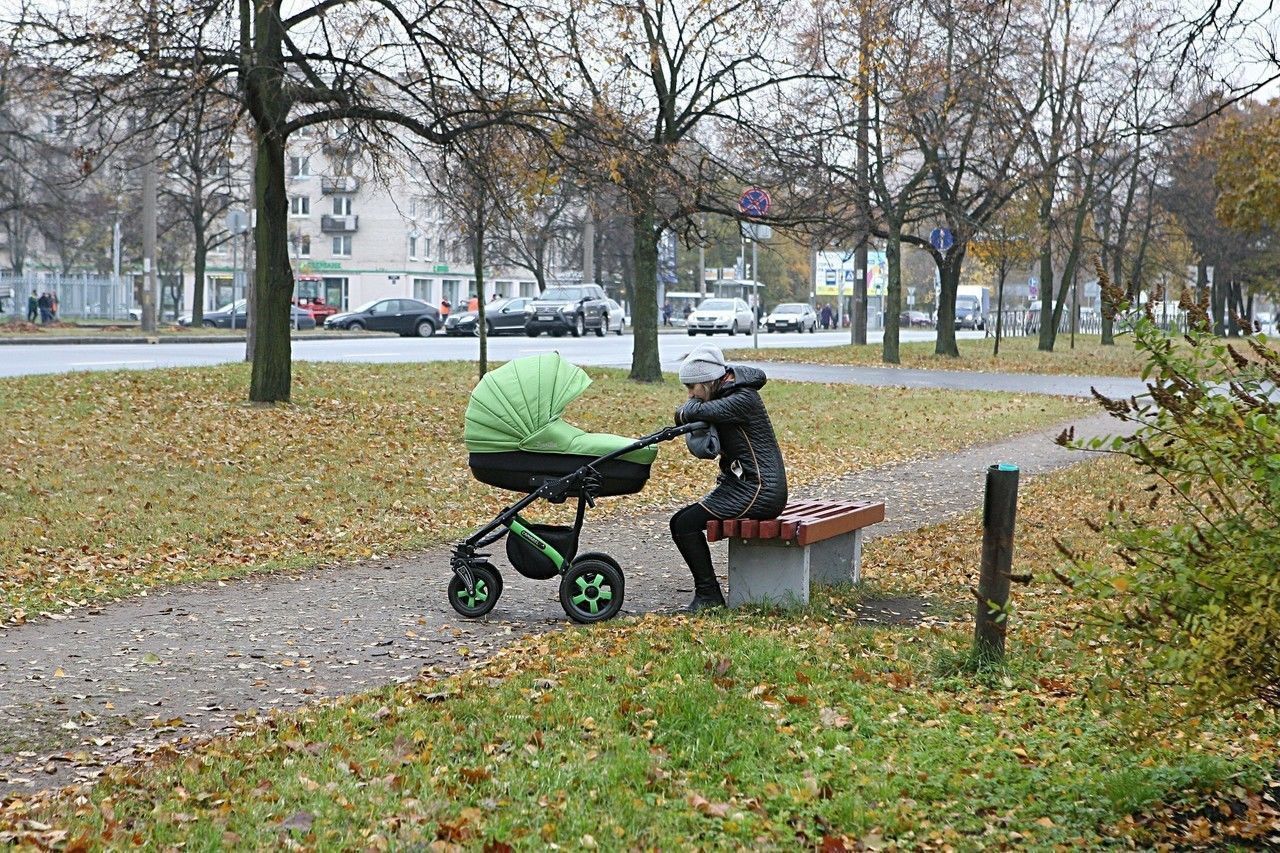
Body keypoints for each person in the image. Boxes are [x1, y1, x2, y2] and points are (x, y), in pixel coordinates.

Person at [670, 345, 788, 612]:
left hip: (760, 490)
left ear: (709, 381)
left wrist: (686, 409)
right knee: (680, 522)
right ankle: (707, 592)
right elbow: (688, 413)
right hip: (742, 485)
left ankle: (709, 595)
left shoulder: (743, 398)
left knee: (684, 524)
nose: (690, 394)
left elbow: (693, 413)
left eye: (693, 387)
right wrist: (687, 410)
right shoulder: (726, 394)